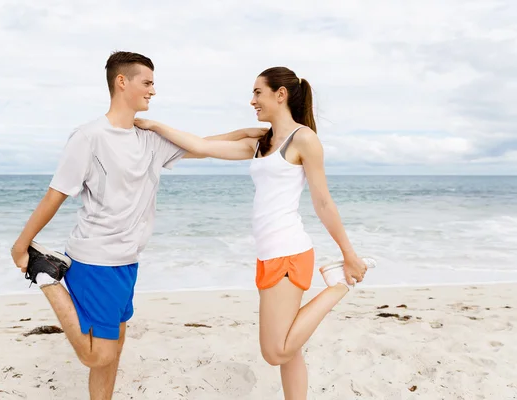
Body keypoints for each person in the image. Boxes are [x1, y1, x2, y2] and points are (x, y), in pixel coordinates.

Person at [10, 51, 266, 400]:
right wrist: (23, 243)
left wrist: (253, 132)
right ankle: (46, 275)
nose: (153, 91)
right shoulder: (89, 137)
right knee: (97, 354)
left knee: (111, 356)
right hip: (95, 258)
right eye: (147, 83)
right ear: (121, 82)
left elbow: (203, 146)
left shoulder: (148, 139)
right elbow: (56, 194)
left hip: (128, 260)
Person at [134, 66, 374, 399]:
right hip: (269, 253)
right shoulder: (261, 143)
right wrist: (157, 137)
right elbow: (202, 147)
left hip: (289, 251)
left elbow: (323, 202)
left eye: (258, 93)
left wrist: (349, 254)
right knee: (290, 346)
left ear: (281, 94)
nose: (252, 100)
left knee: (274, 351)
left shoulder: (303, 139)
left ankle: (338, 286)